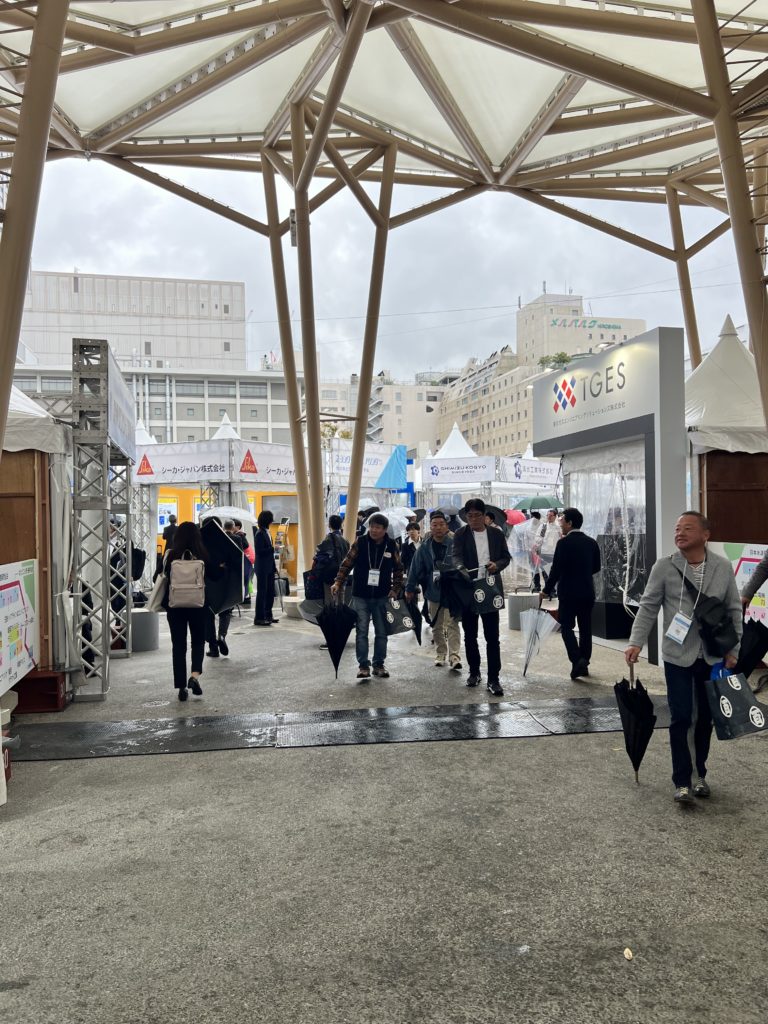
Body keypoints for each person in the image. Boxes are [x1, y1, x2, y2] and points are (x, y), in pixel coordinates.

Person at [625, 511, 742, 805]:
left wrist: (734, 650)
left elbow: (733, 610)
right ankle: (682, 781)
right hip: (677, 654)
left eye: (687, 528)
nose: (680, 533)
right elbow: (649, 606)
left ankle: (699, 774)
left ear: (705, 535)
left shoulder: (722, 567)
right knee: (681, 716)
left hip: (711, 654)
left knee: (704, 719)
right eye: (677, 529)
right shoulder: (665, 566)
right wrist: (636, 642)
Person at [332, 512, 403, 681]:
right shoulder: (360, 542)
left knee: (382, 632)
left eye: (378, 527)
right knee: (361, 631)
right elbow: (347, 564)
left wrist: (395, 589)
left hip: (382, 596)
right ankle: (363, 666)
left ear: (385, 529)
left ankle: (379, 664)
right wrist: (338, 582)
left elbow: (399, 568)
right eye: (371, 526)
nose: (373, 530)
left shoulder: (391, 545)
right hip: (360, 595)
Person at [453, 497, 510, 696]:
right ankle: (474, 672)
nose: (474, 519)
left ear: (485, 516)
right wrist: (460, 568)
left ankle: (494, 679)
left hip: (491, 588)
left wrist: (497, 565)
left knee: (492, 636)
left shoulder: (496, 534)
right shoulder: (461, 534)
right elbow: (456, 556)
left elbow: (506, 557)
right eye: (470, 516)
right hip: (468, 588)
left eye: (477, 515)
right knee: (470, 635)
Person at [162, 521, 222, 701]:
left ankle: (181, 687)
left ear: (177, 536)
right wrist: (221, 567)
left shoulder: (171, 555)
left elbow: (160, 575)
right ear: (197, 536)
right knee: (197, 641)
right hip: (198, 605)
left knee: (178, 645)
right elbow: (215, 576)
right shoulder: (202, 554)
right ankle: (194, 676)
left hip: (175, 606)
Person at [540, 507, 601, 681]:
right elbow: (596, 567)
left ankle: (577, 660)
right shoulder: (592, 543)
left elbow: (555, 570)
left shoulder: (563, 543)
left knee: (566, 627)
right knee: (585, 628)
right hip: (587, 592)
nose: (560, 523)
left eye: (562, 520)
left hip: (568, 593)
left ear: (570, 523)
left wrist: (546, 590)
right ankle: (584, 662)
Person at [405, 510, 462, 672]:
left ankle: (454, 656)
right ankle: (441, 653)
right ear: (430, 527)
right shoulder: (425, 547)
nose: (438, 528)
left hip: (452, 591)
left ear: (446, 526)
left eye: (441, 524)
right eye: (435, 525)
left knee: (452, 624)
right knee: (436, 625)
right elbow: (414, 569)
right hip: (433, 590)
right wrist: (409, 588)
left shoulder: (455, 543)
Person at [313, 514, 351, 604]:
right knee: (341, 597)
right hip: (342, 573)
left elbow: (319, 550)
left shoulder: (329, 538)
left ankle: (330, 612)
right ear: (341, 525)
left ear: (329, 525)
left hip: (330, 573)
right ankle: (340, 611)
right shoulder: (346, 541)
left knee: (329, 597)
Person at [253, 510, 278, 626]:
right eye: (271, 519)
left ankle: (268, 615)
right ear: (267, 520)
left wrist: (274, 567)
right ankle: (259, 618)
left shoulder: (267, 532)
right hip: (262, 568)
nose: (272, 521)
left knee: (270, 592)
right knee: (262, 593)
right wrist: (273, 549)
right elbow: (259, 551)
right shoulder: (259, 533)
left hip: (269, 567)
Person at [537, 509, 562, 592]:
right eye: (548, 515)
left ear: (555, 516)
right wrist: (540, 541)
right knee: (545, 573)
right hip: (544, 553)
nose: (549, 517)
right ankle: (549, 591)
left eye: (551, 515)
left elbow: (562, 538)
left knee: (554, 573)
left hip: (555, 553)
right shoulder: (544, 526)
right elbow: (538, 538)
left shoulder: (559, 526)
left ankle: (554, 590)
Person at [526, 511, 543, 591]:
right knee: (533, 568)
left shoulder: (543, 526)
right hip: (531, 550)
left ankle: (549, 588)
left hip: (540, 550)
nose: (531, 519)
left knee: (543, 568)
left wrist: (538, 547)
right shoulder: (528, 527)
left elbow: (543, 538)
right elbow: (526, 538)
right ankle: (537, 585)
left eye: (533, 517)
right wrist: (528, 548)